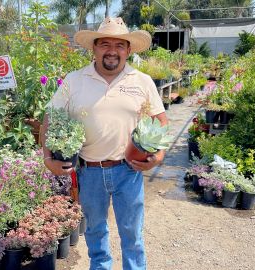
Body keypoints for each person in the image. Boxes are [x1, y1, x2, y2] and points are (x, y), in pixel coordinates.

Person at [41, 17, 168, 270]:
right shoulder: (74, 81)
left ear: (128, 50)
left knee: (132, 235)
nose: (112, 51)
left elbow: (160, 120)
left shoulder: (141, 81)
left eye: (119, 45)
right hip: (89, 172)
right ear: (94, 48)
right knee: (95, 233)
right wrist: (48, 159)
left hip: (129, 170)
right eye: (105, 44)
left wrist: (159, 155)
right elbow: (49, 119)